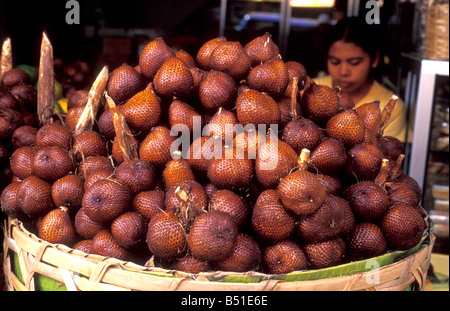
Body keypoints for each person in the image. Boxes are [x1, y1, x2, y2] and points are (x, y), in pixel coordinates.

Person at [314, 16, 409, 143]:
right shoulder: (312, 89)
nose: (343, 72)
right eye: (335, 62)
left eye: (354, 62)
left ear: (374, 59)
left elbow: (390, 154)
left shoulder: (391, 106)